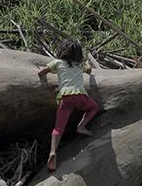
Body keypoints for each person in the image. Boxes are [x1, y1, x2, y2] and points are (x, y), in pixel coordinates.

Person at [37, 39, 100, 171]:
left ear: (62, 51)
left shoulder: (57, 63)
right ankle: (81, 126)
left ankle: (53, 152)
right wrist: (88, 63)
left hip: (65, 98)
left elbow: (41, 72)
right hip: (80, 96)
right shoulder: (79, 65)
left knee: (58, 128)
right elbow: (89, 71)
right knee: (94, 107)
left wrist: (43, 75)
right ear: (78, 53)